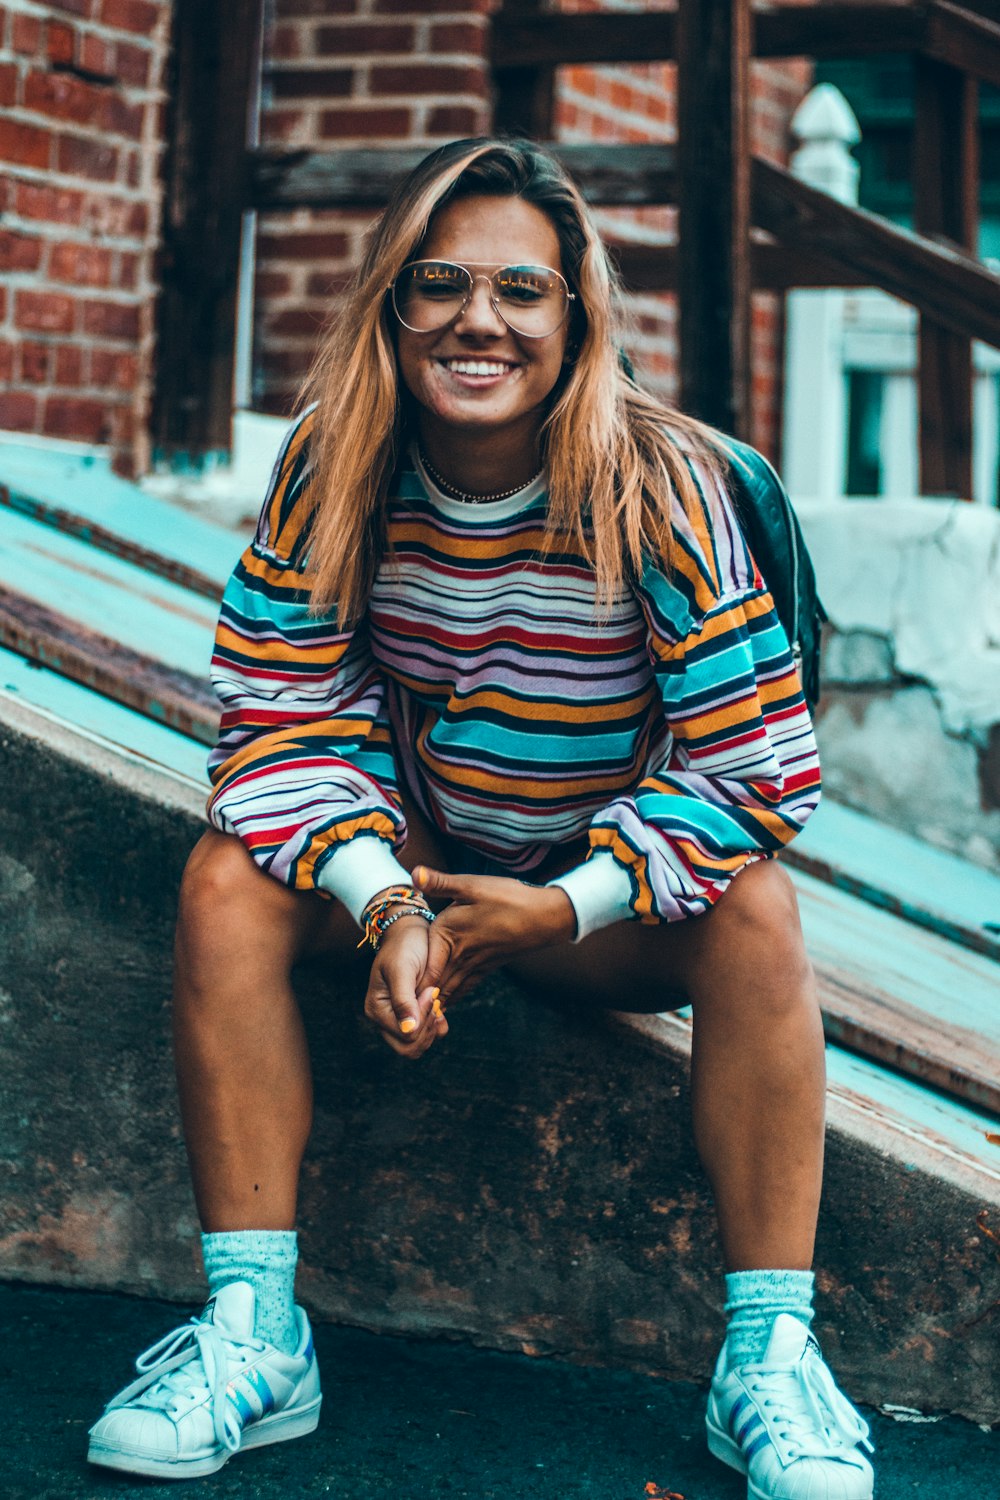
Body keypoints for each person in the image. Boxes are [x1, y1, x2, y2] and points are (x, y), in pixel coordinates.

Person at [87, 137, 874, 1498]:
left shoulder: (660, 485)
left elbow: (756, 770)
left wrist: (564, 902)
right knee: (227, 875)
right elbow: (278, 724)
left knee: (757, 909)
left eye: (521, 290)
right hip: (419, 873)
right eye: (439, 283)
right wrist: (384, 896)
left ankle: (769, 1359)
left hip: (589, 906)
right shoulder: (338, 467)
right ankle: (256, 1334)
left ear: (575, 317)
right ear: (391, 304)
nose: (478, 320)